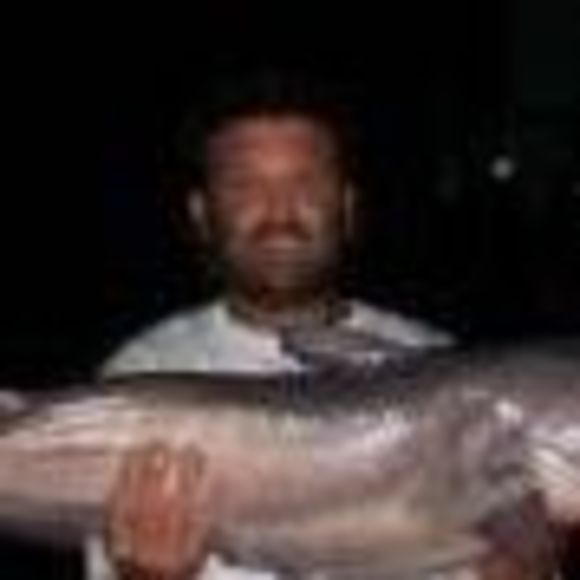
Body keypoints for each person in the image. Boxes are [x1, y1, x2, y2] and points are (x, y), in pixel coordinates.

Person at [96, 70, 541, 579]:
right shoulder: (143, 373)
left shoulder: (439, 363)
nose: (280, 212)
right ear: (201, 213)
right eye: (245, 186)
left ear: (347, 207)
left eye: (306, 182)